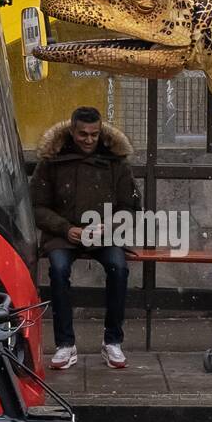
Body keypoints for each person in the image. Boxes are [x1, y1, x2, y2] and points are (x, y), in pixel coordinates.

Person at [31, 106, 140, 370]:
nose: (89, 140)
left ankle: (113, 341)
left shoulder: (116, 161)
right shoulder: (52, 161)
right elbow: (36, 206)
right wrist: (65, 228)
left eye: (93, 134)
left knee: (118, 268)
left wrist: (109, 225)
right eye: (83, 134)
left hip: (104, 233)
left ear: (100, 131)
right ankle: (65, 345)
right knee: (57, 270)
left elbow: (131, 206)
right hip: (63, 233)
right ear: (72, 131)